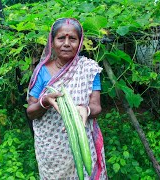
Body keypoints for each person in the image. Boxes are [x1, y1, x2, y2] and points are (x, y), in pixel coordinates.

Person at [26, 18, 107, 179]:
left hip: (83, 143)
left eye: (73, 39)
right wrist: (45, 101)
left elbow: (96, 107)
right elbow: (31, 112)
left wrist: (86, 109)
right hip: (52, 149)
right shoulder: (42, 72)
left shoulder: (89, 69)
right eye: (61, 38)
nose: (67, 43)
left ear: (80, 42)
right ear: (52, 41)